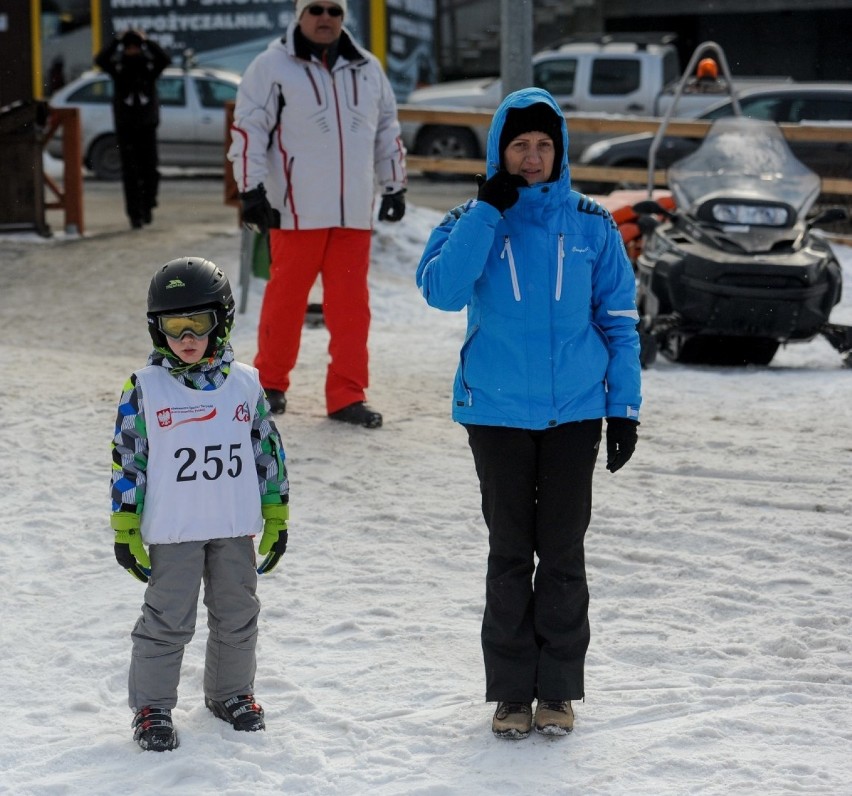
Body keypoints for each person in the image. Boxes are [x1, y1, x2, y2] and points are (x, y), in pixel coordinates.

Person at [415, 88, 642, 740]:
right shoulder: (471, 218)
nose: (534, 156)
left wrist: (623, 409)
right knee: (511, 552)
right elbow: (441, 290)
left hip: (575, 413)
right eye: (521, 144)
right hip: (497, 414)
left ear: (560, 148)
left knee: (563, 553)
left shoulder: (592, 226)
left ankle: (559, 692)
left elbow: (620, 323)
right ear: (501, 150)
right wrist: (488, 212)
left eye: (545, 144)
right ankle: (513, 692)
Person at [110, 257, 290, 752]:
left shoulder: (246, 384)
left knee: (237, 613)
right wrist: (126, 526)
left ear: (222, 321)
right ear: (156, 329)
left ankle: (230, 692)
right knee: (168, 619)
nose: (187, 336)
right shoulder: (146, 388)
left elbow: (267, 451)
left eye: (199, 324)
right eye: (174, 326)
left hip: (232, 526)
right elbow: (128, 459)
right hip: (174, 529)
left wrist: (277, 513)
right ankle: (152, 706)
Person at [229, 0, 407, 428]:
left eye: (334, 10)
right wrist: (251, 189)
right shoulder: (271, 67)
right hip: (294, 210)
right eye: (315, 9)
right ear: (299, 14)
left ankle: (348, 394)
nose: (325, 18)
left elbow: (387, 129)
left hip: (352, 214)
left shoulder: (368, 69)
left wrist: (394, 183)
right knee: (285, 303)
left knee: (351, 309)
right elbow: (249, 127)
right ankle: (269, 384)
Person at [95, 29, 170, 229]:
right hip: (126, 127)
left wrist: (147, 41)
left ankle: (148, 204)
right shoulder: (119, 68)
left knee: (150, 170)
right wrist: (116, 41)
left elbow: (164, 59)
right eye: (128, 47)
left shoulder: (147, 67)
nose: (132, 51)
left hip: (147, 126)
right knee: (130, 173)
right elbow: (101, 60)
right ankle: (135, 214)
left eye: (135, 47)